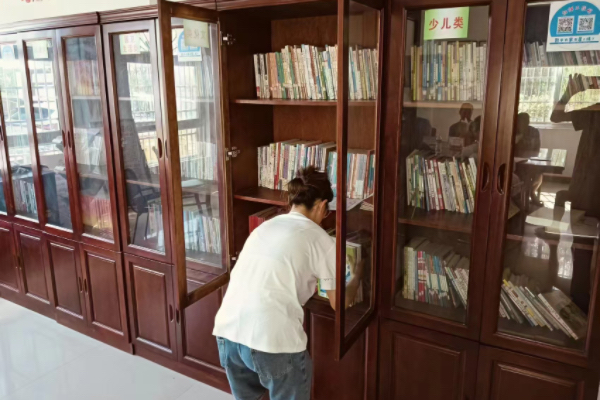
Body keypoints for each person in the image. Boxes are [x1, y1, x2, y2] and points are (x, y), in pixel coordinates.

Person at [213, 166, 363, 400]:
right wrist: (357, 275)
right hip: (272, 340)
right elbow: (339, 303)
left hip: (228, 332)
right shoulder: (322, 240)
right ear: (322, 206)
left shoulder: (264, 227)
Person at [550, 73, 600, 218]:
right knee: (581, 217)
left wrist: (568, 93)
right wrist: (569, 93)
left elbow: (555, 116)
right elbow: (556, 117)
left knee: (581, 217)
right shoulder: (593, 110)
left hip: (588, 176)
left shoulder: (594, 109)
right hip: (586, 175)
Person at [514, 112, 543, 206]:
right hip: (516, 161)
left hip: (530, 158)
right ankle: (524, 195)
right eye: (520, 122)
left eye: (526, 122)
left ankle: (531, 193)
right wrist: (519, 137)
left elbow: (536, 147)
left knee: (538, 172)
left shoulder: (534, 131)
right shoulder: (513, 130)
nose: (523, 124)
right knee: (524, 174)